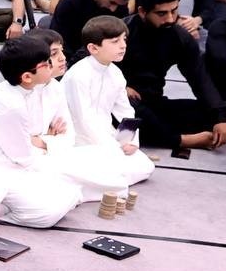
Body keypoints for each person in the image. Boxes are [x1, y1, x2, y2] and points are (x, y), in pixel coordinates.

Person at [0, 36, 89, 227]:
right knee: (52, 209)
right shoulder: (10, 104)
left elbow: (49, 136)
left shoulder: (29, 89)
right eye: (46, 63)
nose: (52, 64)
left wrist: (43, 142)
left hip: (23, 160)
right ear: (27, 77)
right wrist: (48, 143)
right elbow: (24, 157)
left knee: (74, 189)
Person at [118, 0, 226, 153]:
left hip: (153, 102)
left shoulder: (180, 37)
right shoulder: (120, 31)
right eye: (161, 13)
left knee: (210, 113)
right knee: (131, 114)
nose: (170, 18)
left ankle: (153, 133)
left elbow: (199, 78)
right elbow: (83, 66)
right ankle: (180, 140)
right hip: (119, 102)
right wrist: (120, 87)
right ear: (142, 12)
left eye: (174, 10)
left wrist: (220, 117)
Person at [60, 16, 158, 194]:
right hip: (77, 140)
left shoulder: (115, 73)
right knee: (110, 168)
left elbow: (125, 111)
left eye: (124, 39)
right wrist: (114, 148)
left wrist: (129, 141)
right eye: (115, 41)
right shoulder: (78, 75)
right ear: (93, 48)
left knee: (145, 166)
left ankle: (104, 179)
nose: (123, 46)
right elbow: (84, 120)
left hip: (107, 138)